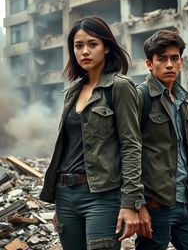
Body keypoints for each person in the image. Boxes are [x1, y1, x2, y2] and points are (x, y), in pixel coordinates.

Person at [39, 16, 143, 250]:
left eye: (92, 44)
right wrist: (59, 202)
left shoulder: (120, 87)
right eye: (78, 46)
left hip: (102, 196)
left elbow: (131, 146)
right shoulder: (72, 91)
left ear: (106, 47)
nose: (85, 51)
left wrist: (130, 204)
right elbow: (67, 147)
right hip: (66, 195)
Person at [135, 30, 188, 250]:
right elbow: (127, 153)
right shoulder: (140, 97)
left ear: (181, 61)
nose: (169, 64)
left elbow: (183, 154)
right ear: (150, 63)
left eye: (174, 58)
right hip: (155, 207)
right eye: (162, 59)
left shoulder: (181, 100)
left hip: (184, 204)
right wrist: (138, 205)